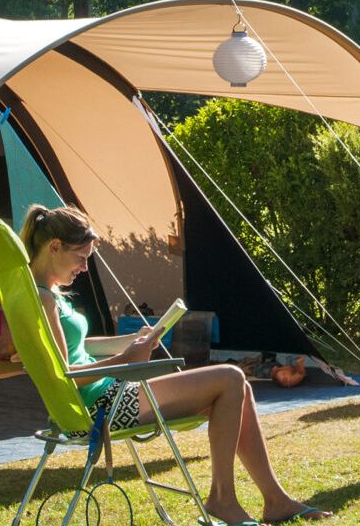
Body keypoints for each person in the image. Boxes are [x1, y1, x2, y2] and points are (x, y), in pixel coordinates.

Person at [22, 205, 331, 524]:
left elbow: (75, 349)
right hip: (104, 405)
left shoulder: (41, 292)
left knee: (239, 394)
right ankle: (223, 500)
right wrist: (126, 360)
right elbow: (67, 376)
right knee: (231, 378)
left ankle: (275, 500)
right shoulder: (44, 299)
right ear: (55, 246)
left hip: (107, 397)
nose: (85, 268)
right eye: (81, 257)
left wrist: (128, 343)